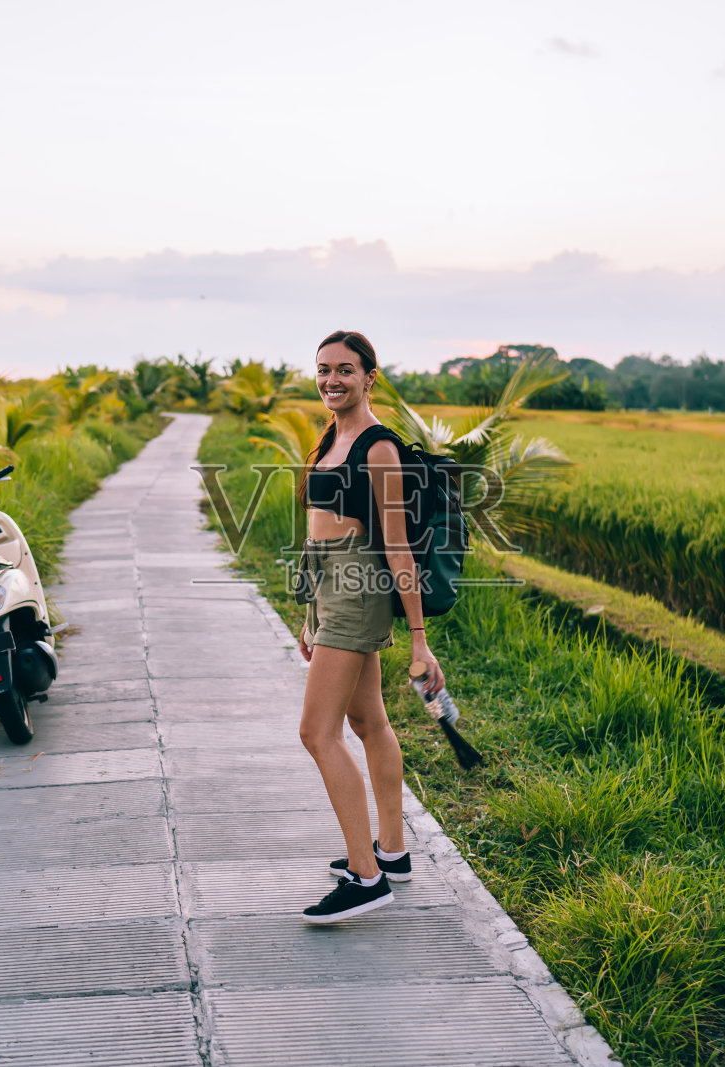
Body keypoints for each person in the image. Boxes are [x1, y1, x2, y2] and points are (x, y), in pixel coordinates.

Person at [295, 329, 445, 925]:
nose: (332, 379)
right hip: (327, 584)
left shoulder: (380, 447)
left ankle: (366, 876)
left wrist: (418, 641)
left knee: (316, 733)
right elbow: (316, 527)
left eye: (346, 370)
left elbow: (399, 546)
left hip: (358, 588)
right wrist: (308, 610)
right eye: (324, 369)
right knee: (367, 720)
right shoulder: (333, 435)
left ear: (369, 377)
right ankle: (393, 851)